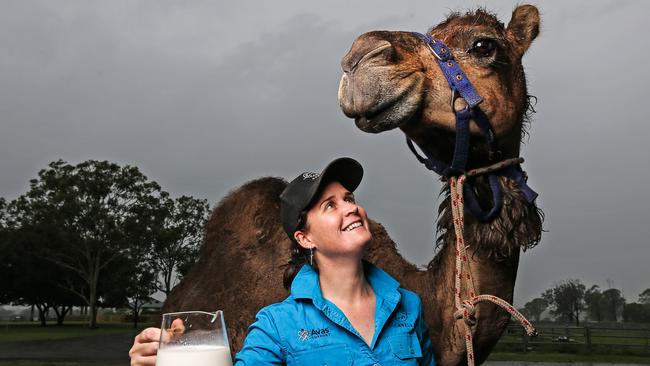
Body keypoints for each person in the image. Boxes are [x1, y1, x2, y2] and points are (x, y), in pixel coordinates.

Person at [129, 157, 435, 365]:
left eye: (350, 199)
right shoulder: (277, 324)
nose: (351, 209)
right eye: (330, 206)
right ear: (305, 239)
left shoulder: (408, 305)